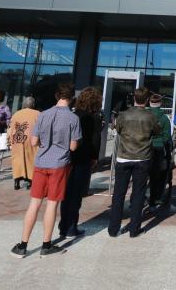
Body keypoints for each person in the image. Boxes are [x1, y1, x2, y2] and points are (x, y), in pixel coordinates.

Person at [11, 82, 81, 258]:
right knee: (52, 204)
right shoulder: (73, 118)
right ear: (71, 97)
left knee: (34, 203)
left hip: (41, 162)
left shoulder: (43, 115)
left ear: (57, 96)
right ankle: (46, 244)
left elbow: (34, 142)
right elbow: (73, 147)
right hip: (59, 164)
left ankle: (22, 245)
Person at [108, 87, 159, 239]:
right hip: (142, 157)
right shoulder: (150, 116)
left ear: (134, 98)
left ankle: (113, 228)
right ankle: (134, 229)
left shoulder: (123, 115)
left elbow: (117, 129)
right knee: (138, 193)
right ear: (147, 100)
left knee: (119, 193)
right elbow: (157, 131)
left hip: (124, 156)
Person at [58, 87, 101, 239]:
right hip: (84, 157)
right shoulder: (94, 117)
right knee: (77, 194)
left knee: (66, 192)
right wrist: (95, 158)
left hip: (68, 156)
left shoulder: (73, 115)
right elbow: (96, 140)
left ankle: (63, 225)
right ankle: (71, 227)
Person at [147, 92, 172, 209]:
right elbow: (167, 137)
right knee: (155, 176)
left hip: (143, 148)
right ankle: (153, 200)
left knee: (140, 176)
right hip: (158, 149)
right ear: (160, 103)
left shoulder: (144, 115)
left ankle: (135, 199)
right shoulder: (164, 118)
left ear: (150, 102)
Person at [8, 97, 39, 190]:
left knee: (17, 160)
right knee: (31, 159)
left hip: (17, 139)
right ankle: (30, 181)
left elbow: (11, 128)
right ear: (33, 104)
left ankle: (16, 181)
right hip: (31, 139)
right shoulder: (38, 114)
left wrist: (9, 140)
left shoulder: (16, 113)